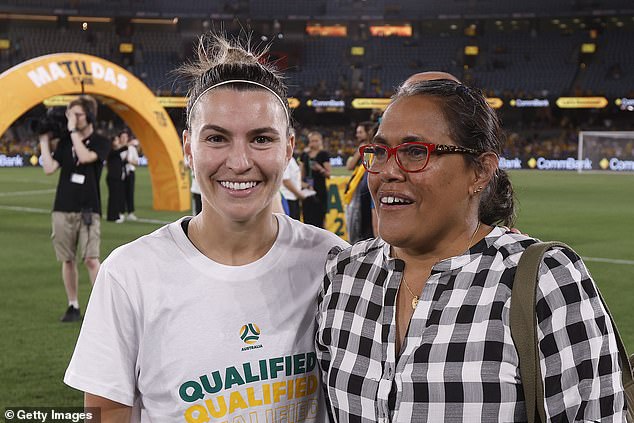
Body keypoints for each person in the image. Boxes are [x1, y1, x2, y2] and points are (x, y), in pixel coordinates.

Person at [64, 33, 348, 421]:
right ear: (187, 147)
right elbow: (105, 413)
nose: (239, 161)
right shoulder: (129, 275)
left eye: (261, 139)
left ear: (289, 148)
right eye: (216, 138)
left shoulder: (331, 263)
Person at [315, 79, 626, 421]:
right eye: (380, 152)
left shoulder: (543, 281)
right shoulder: (344, 275)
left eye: (415, 152)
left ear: (480, 171)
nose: (387, 172)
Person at [38, 95, 110, 322]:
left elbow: (85, 156)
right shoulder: (66, 142)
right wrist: (43, 140)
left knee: (91, 259)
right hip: (62, 207)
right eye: (70, 115)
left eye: (77, 114)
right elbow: (49, 168)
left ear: (89, 115)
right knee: (67, 259)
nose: (73, 119)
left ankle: (105, 308)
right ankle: (73, 305)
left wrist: (71, 132)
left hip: (89, 208)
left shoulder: (101, 141)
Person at [343, 121, 376, 243]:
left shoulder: (367, 149)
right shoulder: (367, 148)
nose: (357, 135)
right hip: (361, 187)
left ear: (368, 133)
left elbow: (351, 165)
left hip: (362, 189)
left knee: (358, 222)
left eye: (360, 132)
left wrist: (358, 153)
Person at [300, 131, 330, 228]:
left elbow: (328, 174)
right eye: (312, 141)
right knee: (307, 219)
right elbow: (301, 175)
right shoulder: (304, 155)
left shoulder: (323, 154)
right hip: (307, 191)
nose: (314, 143)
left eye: (316, 141)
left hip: (320, 191)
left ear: (320, 141)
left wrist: (320, 169)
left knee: (320, 220)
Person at [106, 134, 127, 222]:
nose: (118, 142)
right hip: (113, 178)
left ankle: (112, 216)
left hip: (115, 177)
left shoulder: (114, 152)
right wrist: (127, 145)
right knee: (114, 197)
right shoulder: (111, 151)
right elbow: (120, 150)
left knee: (114, 197)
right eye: (116, 140)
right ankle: (114, 216)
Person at [120, 130, 139, 221]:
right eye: (122, 137)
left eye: (125, 137)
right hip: (121, 173)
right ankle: (121, 212)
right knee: (121, 193)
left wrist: (129, 161)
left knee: (130, 193)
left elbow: (136, 162)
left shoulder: (132, 149)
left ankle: (130, 212)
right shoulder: (118, 148)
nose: (124, 139)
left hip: (130, 172)